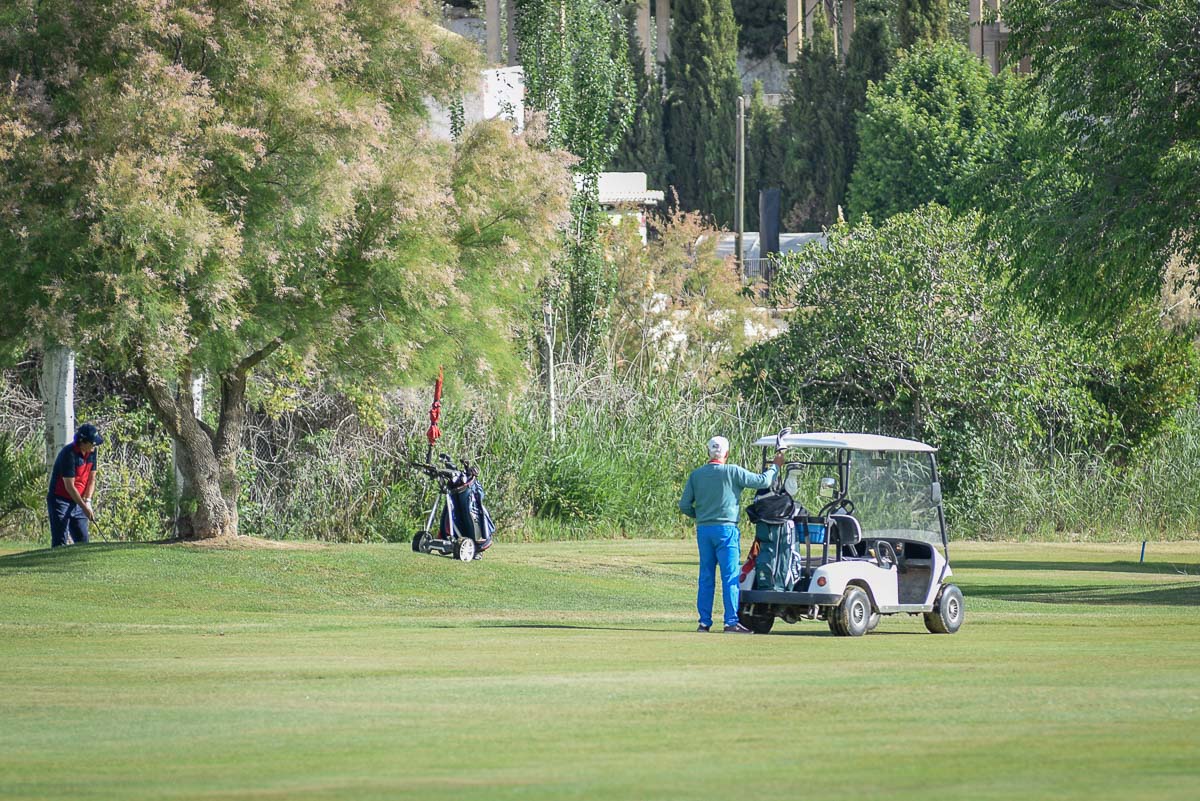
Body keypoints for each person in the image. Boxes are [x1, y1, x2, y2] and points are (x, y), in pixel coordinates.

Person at [679, 436, 785, 633]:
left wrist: (700, 515)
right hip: (726, 529)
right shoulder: (733, 471)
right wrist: (775, 466)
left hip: (704, 530)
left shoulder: (696, 475)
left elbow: (684, 505)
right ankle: (730, 621)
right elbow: (764, 481)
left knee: (706, 577)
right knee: (730, 576)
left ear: (709, 452)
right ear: (726, 453)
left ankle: (704, 622)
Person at [47, 423, 103, 548]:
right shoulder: (69, 454)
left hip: (80, 501)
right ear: (83, 442)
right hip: (60, 501)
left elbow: (92, 478)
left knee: (83, 542)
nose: (95, 445)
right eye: (92, 443)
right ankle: (59, 566)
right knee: (60, 542)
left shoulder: (92, 452)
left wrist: (87, 501)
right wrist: (84, 507)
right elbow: (69, 486)